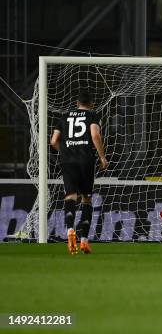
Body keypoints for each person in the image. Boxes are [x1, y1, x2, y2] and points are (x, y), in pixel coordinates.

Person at [50, 89, 108, 255]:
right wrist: (102, 157)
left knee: (70, 196)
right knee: (86, 199)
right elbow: (95, 135)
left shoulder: (64, 116)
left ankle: (69, 230)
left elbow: (53, 141)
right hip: (85, 160)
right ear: (91, 104)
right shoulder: (92, 115)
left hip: (67, 161)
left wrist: (66, 151)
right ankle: (84, 241)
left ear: (76, 103)